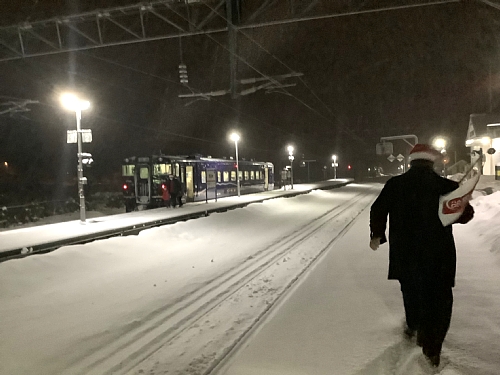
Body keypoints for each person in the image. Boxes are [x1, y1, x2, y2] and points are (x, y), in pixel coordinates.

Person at [369, 143, 474, 368]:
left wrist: (377, 234)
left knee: (411, 290)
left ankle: (415, 324)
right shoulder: (446, 185)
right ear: (432, 161)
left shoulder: (395, 184)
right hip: (439, 254)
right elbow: (465, 217)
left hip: (405, 252)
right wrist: (463, 200)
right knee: (440, 299)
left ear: (411, 161)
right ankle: (432, 345)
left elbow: (378, 209)